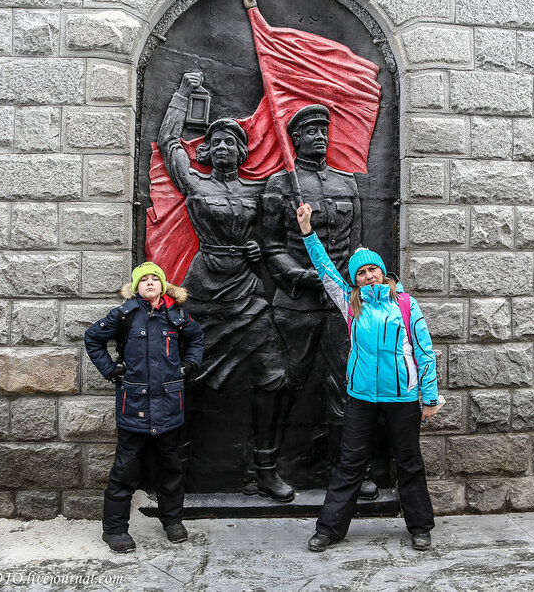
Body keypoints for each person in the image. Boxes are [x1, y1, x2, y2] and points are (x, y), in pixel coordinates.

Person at [156, 71, 296, 502]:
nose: (221, 148)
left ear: (241, 151)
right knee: (188, 376)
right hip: (205, 290)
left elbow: (278, 232)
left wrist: (258, 250)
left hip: (247, 290)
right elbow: (168, 143)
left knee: (274, 375)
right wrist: (181, 95)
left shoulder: (260, 189)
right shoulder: (193, 183)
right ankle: (176, 472)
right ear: (207, 151)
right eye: (215, 142)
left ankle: (267, 469)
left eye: (230, 143)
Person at [294, 202, 440, 552]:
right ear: (355, 279)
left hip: (403, 398)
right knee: (349, 463)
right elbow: (325, 268)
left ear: (383, 273)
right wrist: (307, 232)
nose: (369, 275)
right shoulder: (350, 303)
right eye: (362, 273)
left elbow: (424, 351)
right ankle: (329, 529)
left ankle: (420, 526)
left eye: (373, 270)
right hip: (361, 397)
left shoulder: (405, 304)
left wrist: (430, 397)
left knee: (408, 462)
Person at [261, 105, 378, 499]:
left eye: (323, 131)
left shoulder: (347, 184)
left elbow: (357, 247)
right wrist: (302, 277)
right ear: (295, 138)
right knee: (284, 385)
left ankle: (349, 470)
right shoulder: (280, 184)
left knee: (348, 385)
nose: (320, 137)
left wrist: (352, 285)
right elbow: (272, 247)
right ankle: (264, 467)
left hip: (342, 307)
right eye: (310, 132)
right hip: (296, 304)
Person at [83, 261, 205, 553]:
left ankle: (173, 522)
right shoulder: (124, 315)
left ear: (163, 286)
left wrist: (189, 365)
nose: (150, 283)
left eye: (155, 279)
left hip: (168, 406)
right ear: (136, 287)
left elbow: (196, 338)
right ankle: (114, 530)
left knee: (172, 468)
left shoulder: (176, 315)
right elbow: (93, 339)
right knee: (124, 471)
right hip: (133, 405)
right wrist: (111, 371)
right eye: (144, 280)